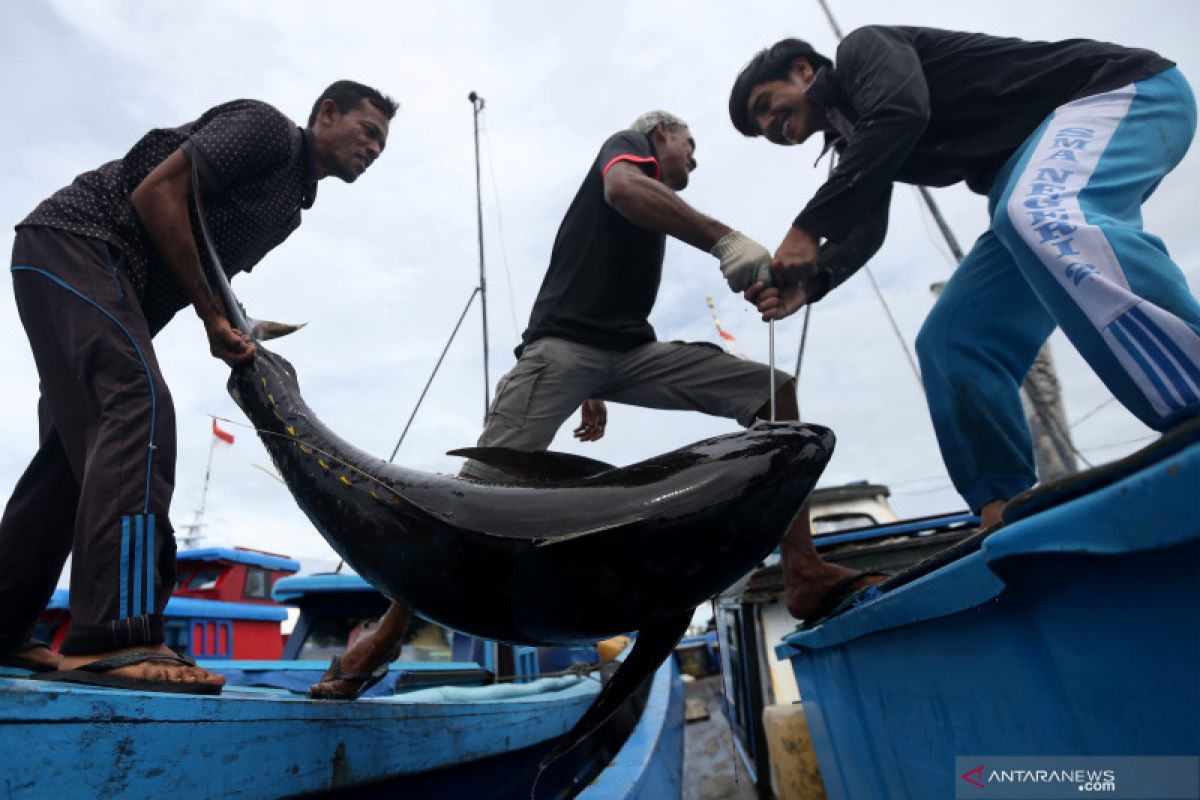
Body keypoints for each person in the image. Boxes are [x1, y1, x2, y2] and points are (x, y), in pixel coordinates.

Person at [310, 110, 880, 699]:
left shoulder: (654, 202)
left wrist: (599, 388)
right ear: (660, 134)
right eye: (691, 145)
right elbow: (622, 188)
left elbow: (606, 283)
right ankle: (385, 636)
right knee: (467, 498)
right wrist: (724, 240)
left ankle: (803, 571)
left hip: (630, 352)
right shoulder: (630, 152)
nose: (694, 159)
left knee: (774, 391)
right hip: (559, 351)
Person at [0, 80, 397, 692]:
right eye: (368, 132)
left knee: (69, 462)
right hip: (79, 243)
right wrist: (214, 317)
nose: (374, 150)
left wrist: (231, 322)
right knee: (138, 411)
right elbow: (157, 192)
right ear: (326, 114)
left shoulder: (287, 210)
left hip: (92, 271)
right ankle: (115, 637)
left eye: (382, 145)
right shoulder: (266, 131)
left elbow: (204, 269)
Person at [729, 28, 1199, 529]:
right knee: (953, 339)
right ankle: (1006, 509)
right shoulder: (857, 143)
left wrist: (807, 228)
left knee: (1040, 213)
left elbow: (900, 112)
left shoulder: (863, 52)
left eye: (767, 104)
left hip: (1119, 93)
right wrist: (814, 280)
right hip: (1021, 185)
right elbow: (865, 231)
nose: (771, 125)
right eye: (762, 129)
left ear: (804, 71)